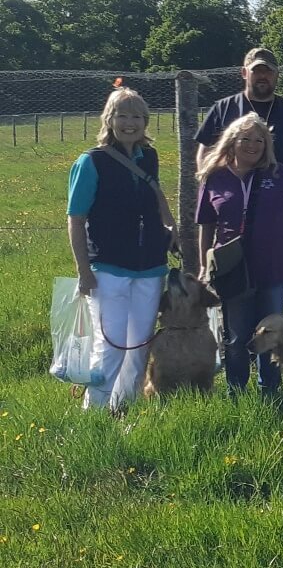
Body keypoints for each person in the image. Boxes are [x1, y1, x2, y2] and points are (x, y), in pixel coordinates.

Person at [66, 87, 176, 413]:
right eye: (123, 115)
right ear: (109, 120)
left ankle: (121, 410)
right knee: (111, 346)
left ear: (146, 121)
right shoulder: (91, 162)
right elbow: (75, 219)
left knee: (139, 347)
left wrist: (171, 229)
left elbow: (157, 198)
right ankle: (95, 413)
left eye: (137, 116)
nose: (130, 123)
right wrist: (84, 271)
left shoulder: (149, 157)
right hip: (108, 268)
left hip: (150, 267)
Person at [196, 115, 283, 395]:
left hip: (273, 267)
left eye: (260, 140)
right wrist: (204, 265)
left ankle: (269, 390)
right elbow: (205, 224)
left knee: (270, 334)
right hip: (232, 270)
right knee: (237, 336)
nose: (253, 145)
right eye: (246, 139)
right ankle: (236, 391)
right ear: (232, 142)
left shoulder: (278, 173)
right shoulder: (215, 176)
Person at [195, 47, 283, 205]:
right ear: (244, 73)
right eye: (256, 71)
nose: (263, 76)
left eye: (268, 71)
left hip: (282, 207)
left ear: (277, 75)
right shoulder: (223, 109)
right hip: (232, 204)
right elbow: (204, 154)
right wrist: (213, 191)